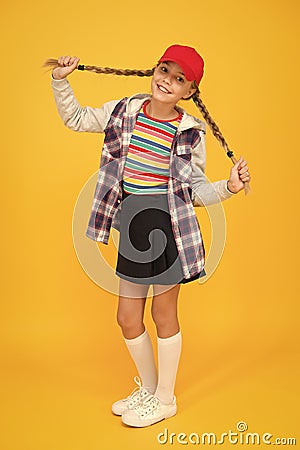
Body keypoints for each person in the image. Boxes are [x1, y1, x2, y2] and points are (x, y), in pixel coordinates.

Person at [46, 45, 251, 427]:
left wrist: (229, 187)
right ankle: (152, 392)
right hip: (133, 225)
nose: (167, 81)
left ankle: (166, 399)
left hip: (170, 226)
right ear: (153, 70)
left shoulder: (190, 132)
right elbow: (75, 118)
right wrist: (61, 81)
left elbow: (195, 191)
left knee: (162, 312)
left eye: (179, 79)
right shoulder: (123, 111)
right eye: (164, 69)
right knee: (127, 318)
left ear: (189, 91)